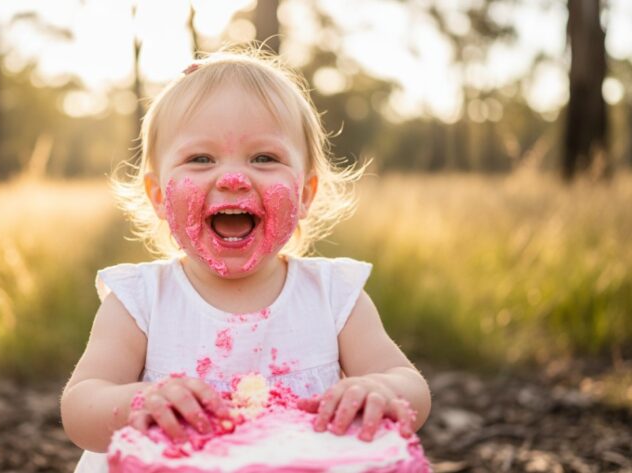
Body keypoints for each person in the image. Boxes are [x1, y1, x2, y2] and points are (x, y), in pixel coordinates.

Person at [60, 49, 431, 472]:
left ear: (305, 193)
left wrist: (381, 391)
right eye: (201, 159)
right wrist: (136, 404)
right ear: (159, 195)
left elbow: (412, 389)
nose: (233, 179)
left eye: (264, 158)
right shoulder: (141, 301)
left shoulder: (332, 296)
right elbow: (80, 406)